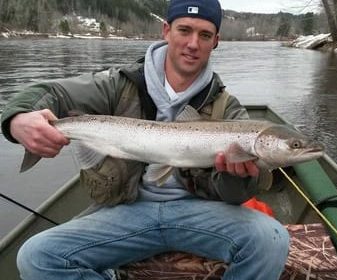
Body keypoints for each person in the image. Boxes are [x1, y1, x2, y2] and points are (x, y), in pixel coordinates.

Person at [0, 0, 289, 279]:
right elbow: (51, 92)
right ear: (166, 30)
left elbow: (234, 196)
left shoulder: (230, 110)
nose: (193, 44)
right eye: (184, 30)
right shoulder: (118, 84)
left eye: (204, 35)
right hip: (125, 212)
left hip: (200, 216)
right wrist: (17, 119)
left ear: (216, 41)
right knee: (36, 256)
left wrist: (238, 178)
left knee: (271, 239)